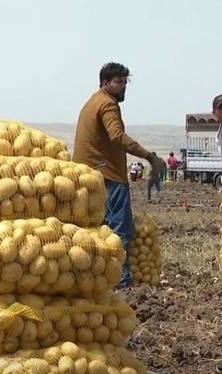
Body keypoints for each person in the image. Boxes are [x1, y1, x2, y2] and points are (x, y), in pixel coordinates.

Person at [73, 62, 165, 288]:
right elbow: (117, 135)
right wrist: (149, 156)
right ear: (105, 83)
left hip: (88, 175)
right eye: (118, 82)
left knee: (98, 230)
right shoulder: (108, 104)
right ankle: (121, 282)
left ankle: (99, 279)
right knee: (120, 230)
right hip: (109, 175)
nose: (123, 87)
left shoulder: (92, 102)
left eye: (125, 82)